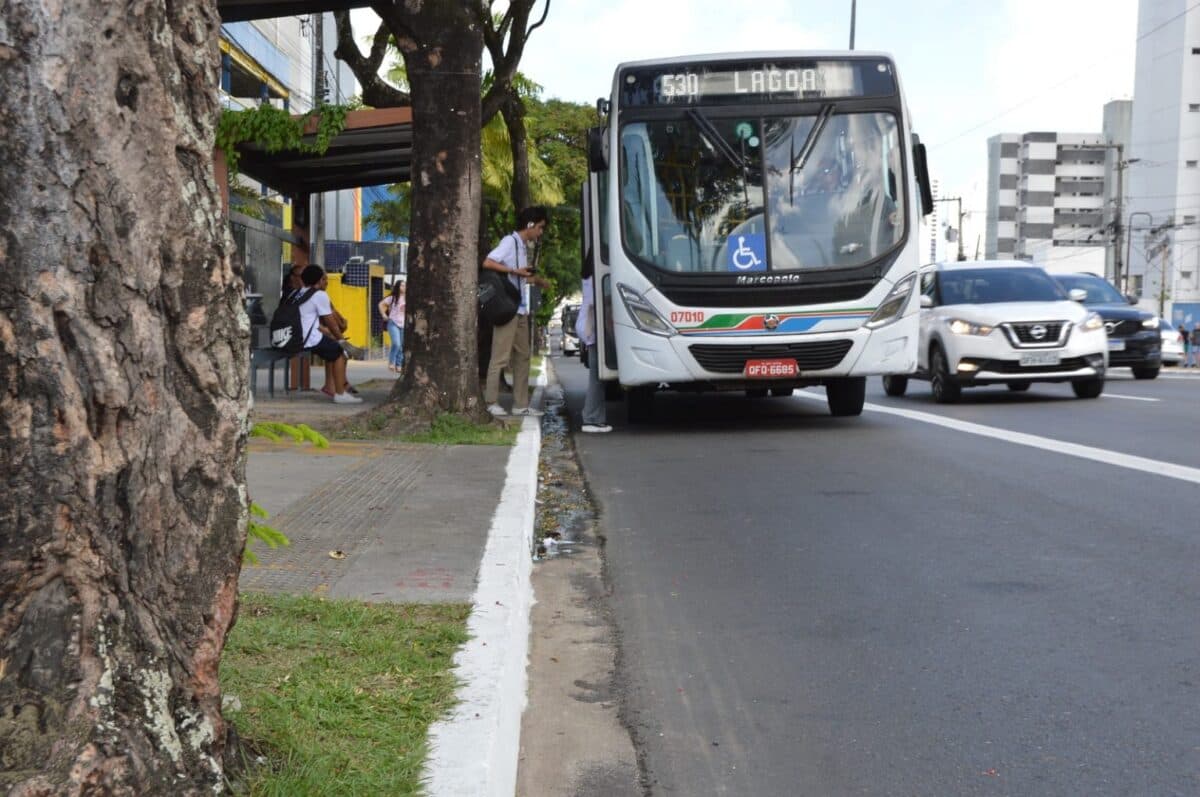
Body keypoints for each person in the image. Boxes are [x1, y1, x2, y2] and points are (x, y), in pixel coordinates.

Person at [483, 206, 551, 416]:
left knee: (523, 356)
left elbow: (517, 277)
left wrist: (536, 281)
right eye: (540, 227)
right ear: (530, 225)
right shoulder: (509, 242)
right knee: (500, 357)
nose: (540, 232)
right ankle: (491, 402)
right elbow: (488, 262)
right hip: (507, 308)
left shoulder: (522, 246)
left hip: (520, 309)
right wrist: (514, 270)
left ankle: (521, 405)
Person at [296, 265, 361, 404]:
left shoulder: (299, 293)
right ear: (319, 280)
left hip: (294, 337)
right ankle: (340, 394)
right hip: (307, 339)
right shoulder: (319, 295)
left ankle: (331, 386)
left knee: (331, 349)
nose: (326, 282)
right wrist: (342, 341)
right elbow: (331, 322)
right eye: (324, 279)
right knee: (339, 352)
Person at [575, 257, 611, 433]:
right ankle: (590, 418)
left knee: (598, 377)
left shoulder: (589, 277)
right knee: (596, 377)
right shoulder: (595, 278)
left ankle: (597, 418)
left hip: (589, 326)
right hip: (592, 328)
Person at [379, 279, 406, 373]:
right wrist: (383, 315)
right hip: (393, 323)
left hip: (403, 324)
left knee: (401, 346)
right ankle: (391, 362)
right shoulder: (392, 298)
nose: (404, 287)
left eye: (405, 285)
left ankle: (399, 365)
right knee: (396, 343)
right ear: (398, 287)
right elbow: (381, 304)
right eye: (402, 285)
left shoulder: (408, 298)